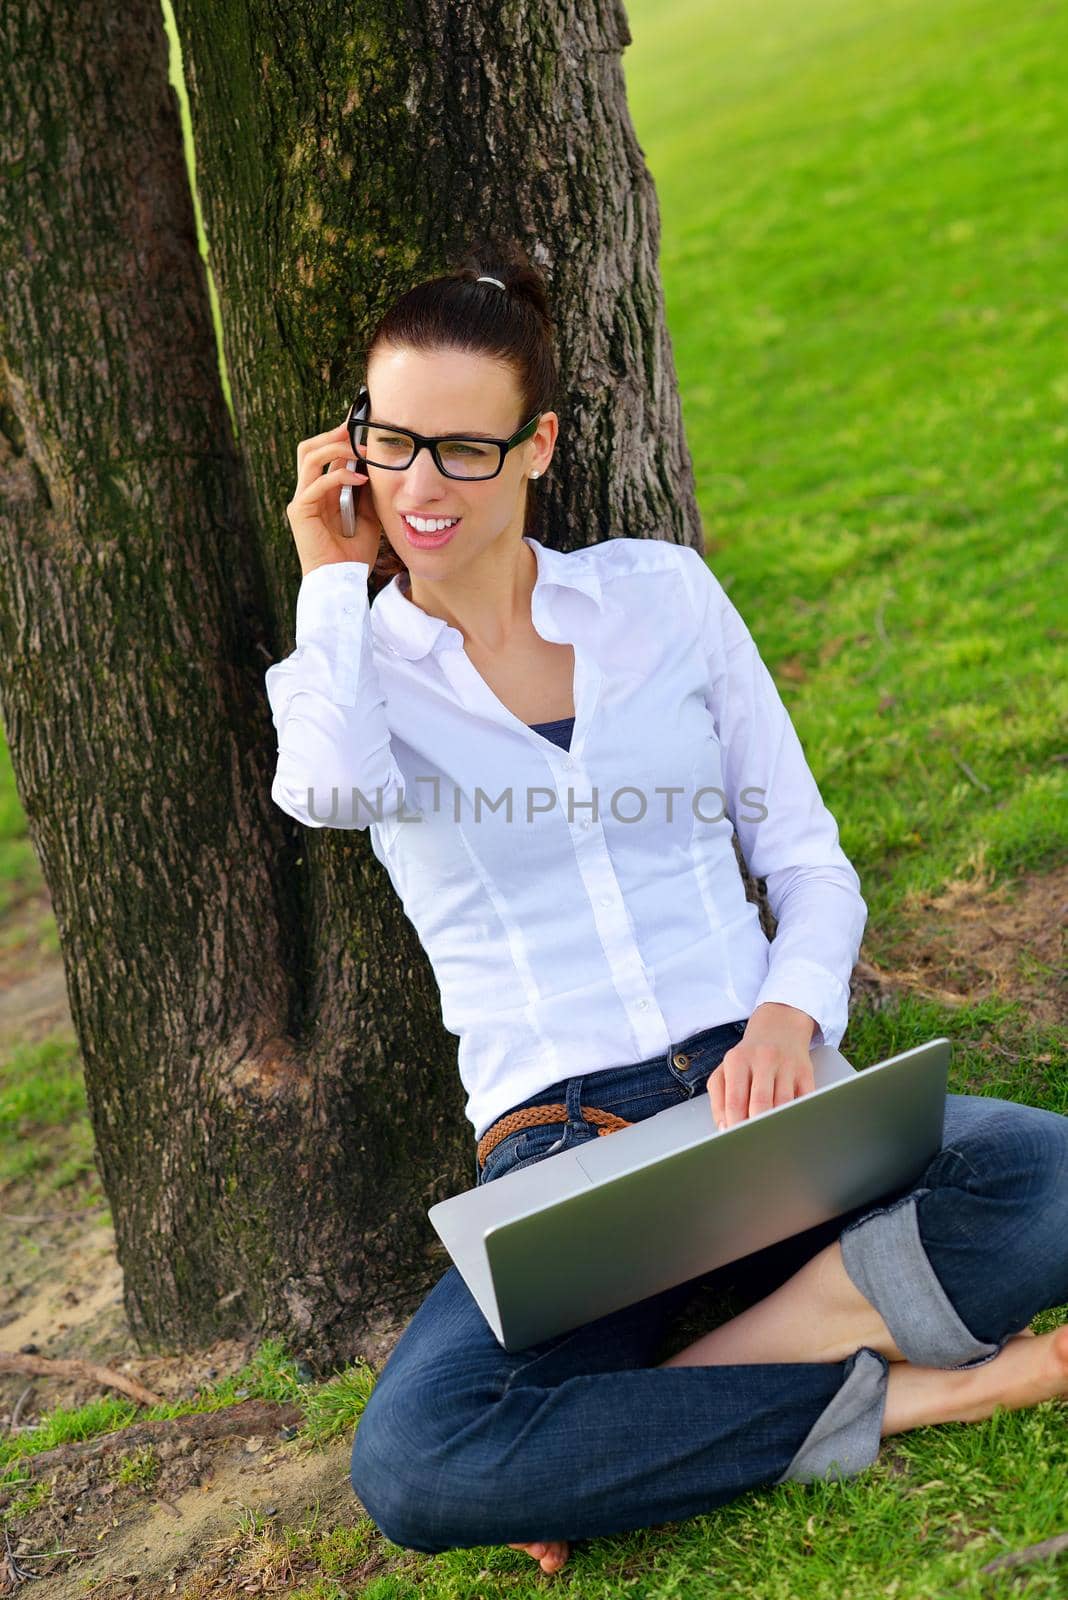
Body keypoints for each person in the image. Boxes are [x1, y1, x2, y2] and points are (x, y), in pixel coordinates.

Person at [265, 243, 1068, 1574]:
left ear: (539, 446)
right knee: (416, 1460)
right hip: (567, 1155)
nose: (417, 487)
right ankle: (919, 1385)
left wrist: (786, 1014)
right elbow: (333, 793)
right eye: (389, 441)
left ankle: (702, 1378)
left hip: (775, 1095)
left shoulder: (660, 598)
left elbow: (807, 860)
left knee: (1045, 1177)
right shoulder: (348, 673)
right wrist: (325, 577)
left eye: (464, 450)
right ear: (348, 444)